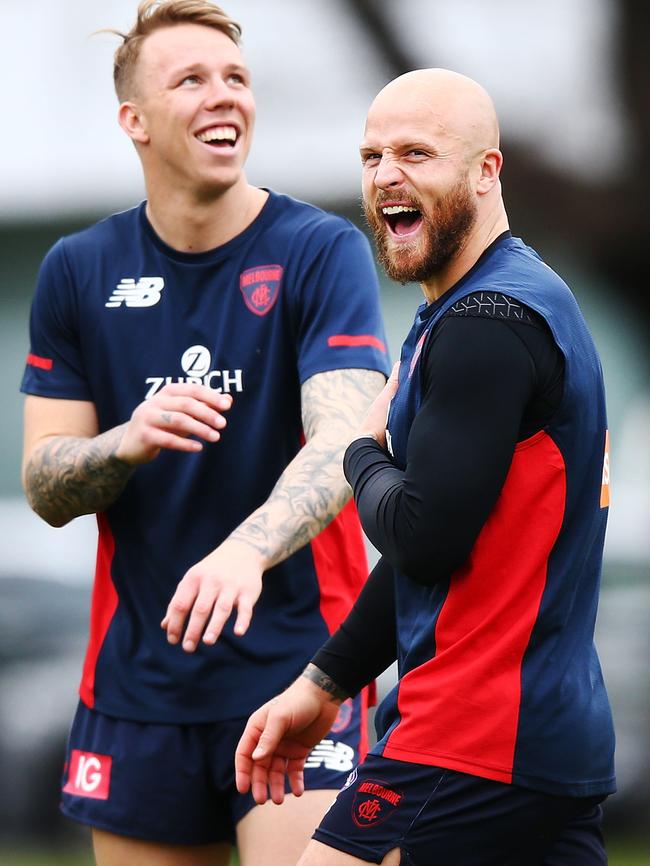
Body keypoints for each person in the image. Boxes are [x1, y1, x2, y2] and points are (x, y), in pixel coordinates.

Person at [20, 2, 390, 865]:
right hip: (138, 686)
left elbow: (343, 443)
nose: (225, 97)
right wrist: (127, 441)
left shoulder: (319, 250)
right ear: (135, 121)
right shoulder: (77, 270)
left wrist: (243, 554)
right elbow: (42, 483)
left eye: (237, 79)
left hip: (305, 673)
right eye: (191, 80)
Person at [236, 68, 616, 866]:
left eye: (416, 152)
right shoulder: (495, 302)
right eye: (371, 156)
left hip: (468, 744)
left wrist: (356, 449)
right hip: (543, 746)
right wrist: (325, 684)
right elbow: (449, 558)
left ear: (487, 171)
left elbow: (422, 535)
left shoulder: (487, 322)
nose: (385, 176)